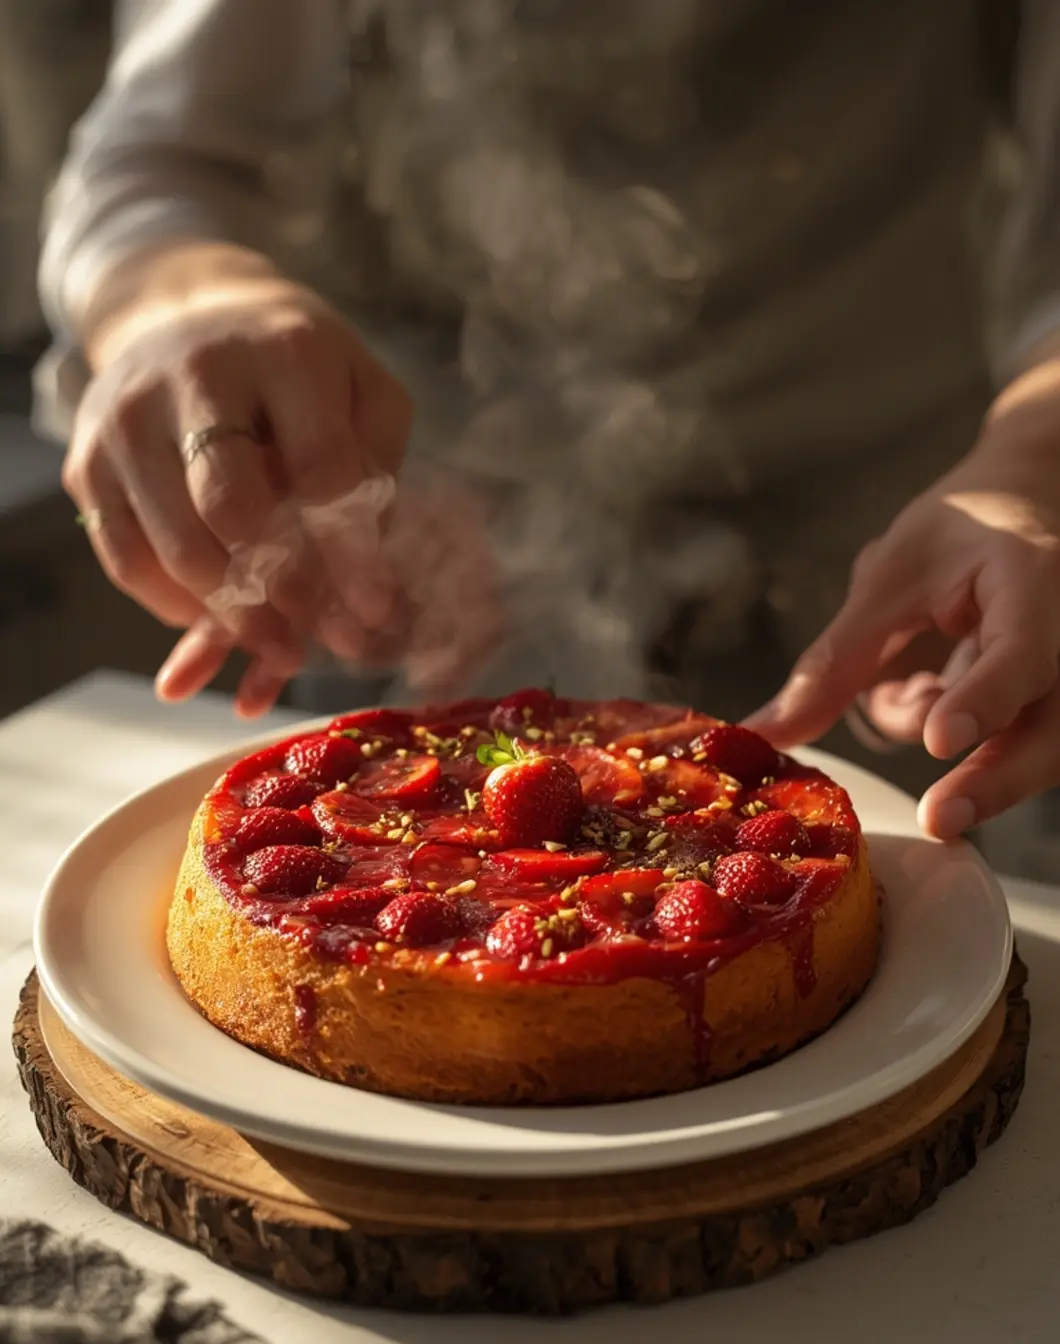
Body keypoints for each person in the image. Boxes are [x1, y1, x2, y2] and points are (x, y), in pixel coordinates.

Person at [33, 0, 1060, 843]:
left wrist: (1033, 460)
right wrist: (184, 301)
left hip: (895, 560)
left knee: (911, 924)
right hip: (431, 549)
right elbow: (160, 159)